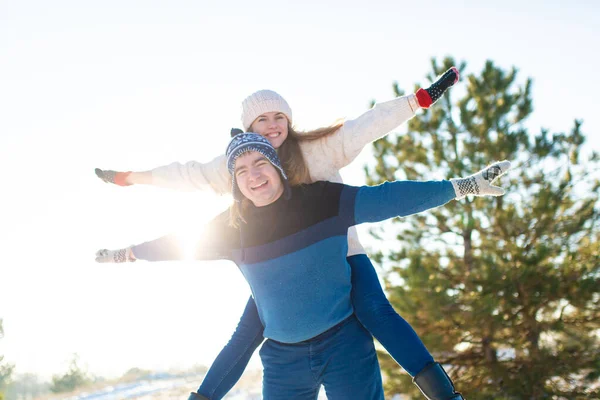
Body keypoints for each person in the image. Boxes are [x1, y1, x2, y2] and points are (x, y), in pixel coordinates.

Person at [95, 68, 465, 399]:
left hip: (343, 254)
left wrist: (422, 99)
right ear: (247, 127)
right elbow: (186, 174)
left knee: (374, 310)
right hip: (277, 269)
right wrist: (130, 179)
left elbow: (369, 125)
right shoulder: (240, 163)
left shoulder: (317, 149)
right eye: (261, 120)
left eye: (279, 117)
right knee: (250, 332)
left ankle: (445, 395)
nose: (272, 126)